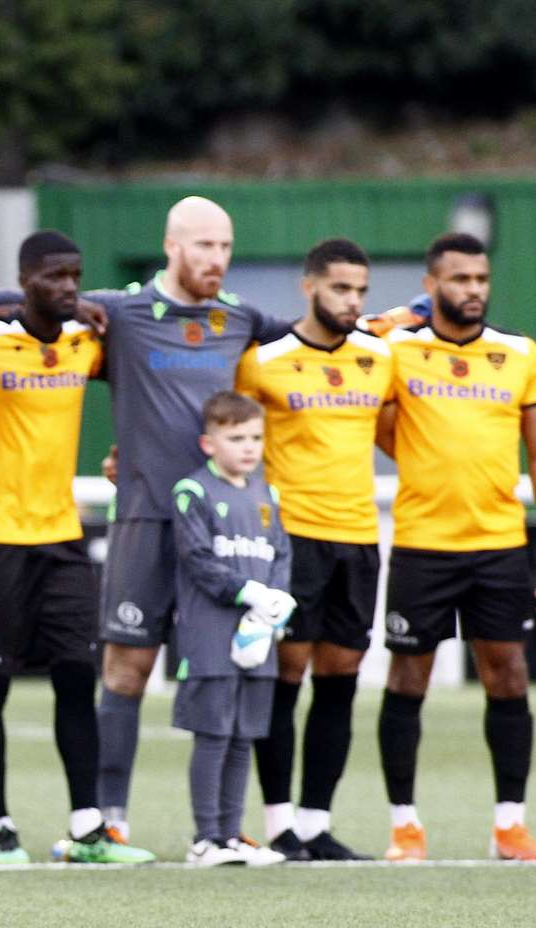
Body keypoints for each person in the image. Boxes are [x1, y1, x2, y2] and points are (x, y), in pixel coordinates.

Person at [0, 230, 152, 866]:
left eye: (75, 276)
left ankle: (87, 828)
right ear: (26, 280)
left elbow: (143, 385)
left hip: (61, 537)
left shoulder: (86, 342)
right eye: (54, 277)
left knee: (77, 677)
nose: (68, 288)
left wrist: (125, 450)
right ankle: (0, 827)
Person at [86, 196, 292, 843]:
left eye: (226, 247)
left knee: (228, 671)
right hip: (147, 518)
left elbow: (322, 332)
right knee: (126, 670)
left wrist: (407, 318)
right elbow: (39, 294)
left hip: (224, 527)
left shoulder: (241, 318)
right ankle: (108, 822)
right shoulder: (118, 312)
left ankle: (221, 829)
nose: (217, 259)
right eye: (204, 245)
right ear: (172, 245)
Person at [375, 232, 536, 862]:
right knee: (409, 676)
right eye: (459, 279)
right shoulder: (397, 350)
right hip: (423, 544)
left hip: (500, 544)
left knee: (508, 674)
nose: (472, 290)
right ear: (431, 285)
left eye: (480, 279)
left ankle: (510, 826)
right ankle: (405, 826)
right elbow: (379, 427)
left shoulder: (521, 354)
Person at [232, 238, 387, 861]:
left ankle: (318, 822)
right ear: (309, 287)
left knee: (342, 674)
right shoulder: (264, 361)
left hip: (360, 536)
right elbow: (228, 436)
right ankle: (278, 824)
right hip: (292, 539)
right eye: (340, 288)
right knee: (287, 672)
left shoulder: (382, 358)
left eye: (360, 291)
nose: (351, 301)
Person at [169, 392, 293, 867]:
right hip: (210, 632)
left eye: (256, 438)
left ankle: (230, 833)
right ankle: (205, 838)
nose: (248, 447)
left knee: (244, 735)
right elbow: (199, 560)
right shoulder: (193, 492)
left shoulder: (269, 493)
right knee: (214, 733)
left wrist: (274, 602)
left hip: (258, 633)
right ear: (208, 442)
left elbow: (280, 553)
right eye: (236, 437)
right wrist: (249, 593)